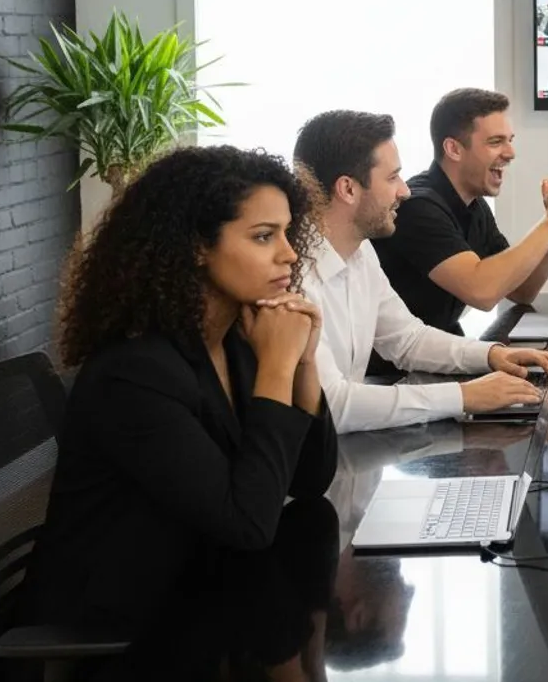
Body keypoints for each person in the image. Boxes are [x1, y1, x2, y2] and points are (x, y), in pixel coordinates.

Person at [24, 146, 338, 636]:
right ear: (197, 246)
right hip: (124, 622)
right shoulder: (134, 374)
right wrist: (276, 364)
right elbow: (248, 524)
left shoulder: (237, 338)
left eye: (285, 232)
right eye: (262, 236)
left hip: (197, 579)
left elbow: (310, 480)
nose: (290, 253)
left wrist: (303, 362)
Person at [292, 110, 548, 433]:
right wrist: (462, 396)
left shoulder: (360, 253)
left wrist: (490, 355)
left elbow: (407, 340)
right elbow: (333, 405)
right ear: (348, 189)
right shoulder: (292, 277)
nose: (404, 190)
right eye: (392, 178)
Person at [374, 89, 548, 334]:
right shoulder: (417, 205)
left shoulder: (475, 206)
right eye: (496, 142)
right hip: (398, 367)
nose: (510, 153)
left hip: (443, 352)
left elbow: (521, 290)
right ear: (453, 149)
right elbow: (483, 292)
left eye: (510, 140)